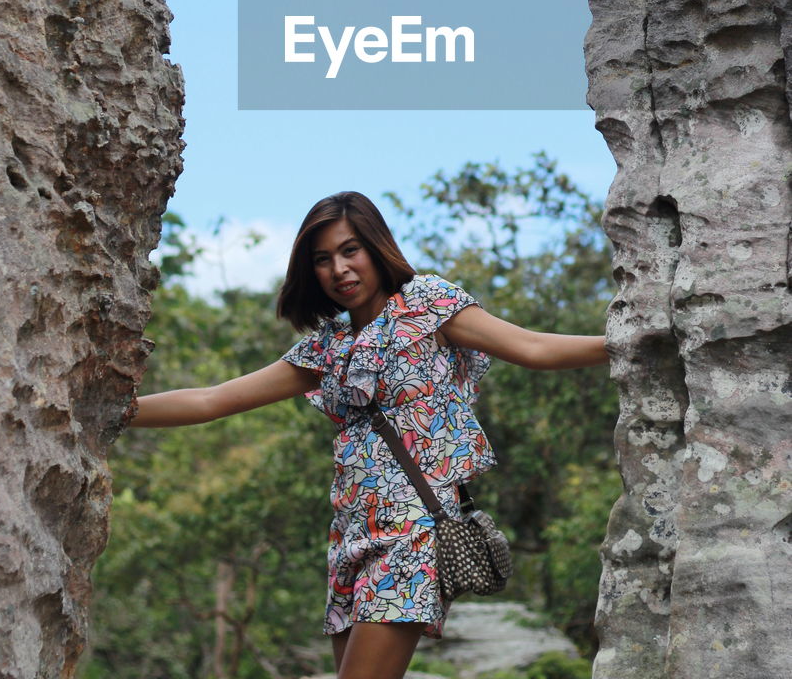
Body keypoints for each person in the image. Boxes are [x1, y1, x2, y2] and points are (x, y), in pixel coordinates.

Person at [128, 191, 610, 679]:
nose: (339, 268)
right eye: (323, 259)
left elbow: (533, 347)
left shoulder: (427, 304)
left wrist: (622, 343)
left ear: (377, 248)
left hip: (412, 534)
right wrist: (112, 412)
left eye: (350, 250)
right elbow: (213, 400)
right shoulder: (327, 348)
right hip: (349, 539)